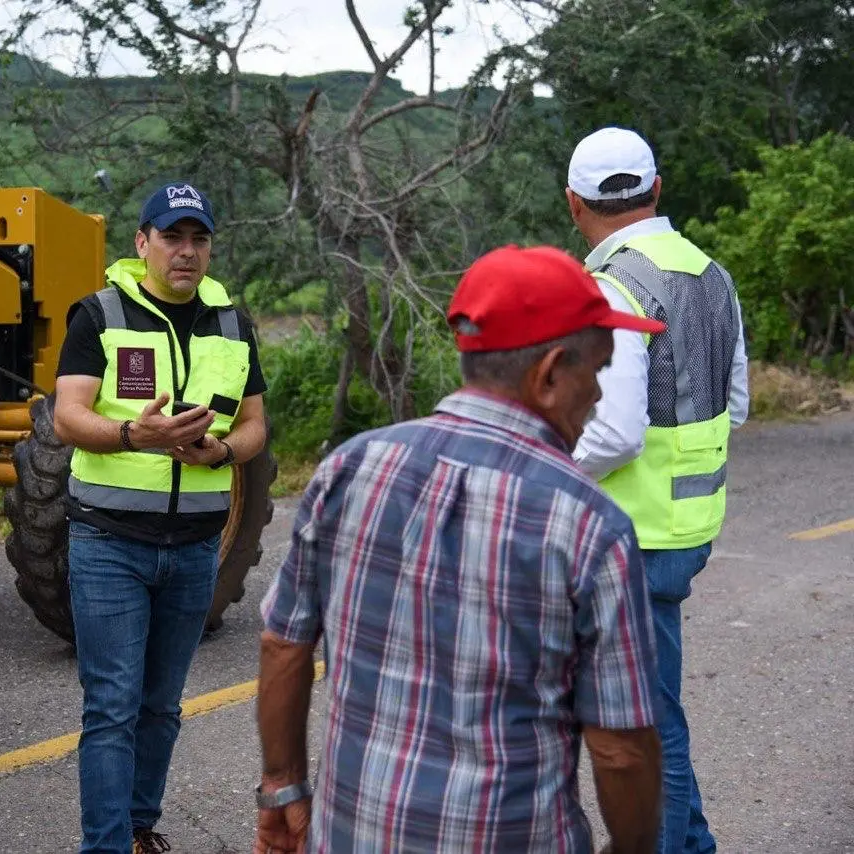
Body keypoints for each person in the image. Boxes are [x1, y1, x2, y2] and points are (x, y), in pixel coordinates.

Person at [254, 244, 667, 854]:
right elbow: (621, 750)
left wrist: (284, 787)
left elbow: (282, 643)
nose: (601, 396)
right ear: (551, 374)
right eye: (598, 371)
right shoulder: (589, 525)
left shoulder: (349, 467)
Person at [53, 181, 268, 854]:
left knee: (161, 707)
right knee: (112, 706)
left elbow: (257, 425)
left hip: (197, 547)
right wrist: (129, 437)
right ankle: (107, 846)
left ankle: (140, 828)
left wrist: (223, 451)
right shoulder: (100, 314)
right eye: (172, 236)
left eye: (199, 238)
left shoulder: (233, 324)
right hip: (109, 542)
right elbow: (67, 417)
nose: (187, 251)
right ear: (141, 242)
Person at [566, 126, 749, 854]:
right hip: (689, 527)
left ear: (574, 204)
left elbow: (613, 435)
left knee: (642, 729)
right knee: (654, 713)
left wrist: (546, 470)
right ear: (658, 190)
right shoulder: (711, 273)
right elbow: (736, 404)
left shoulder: (613, 283)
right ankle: (691, 842)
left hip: (630, 537)